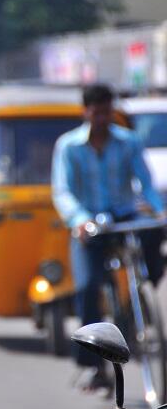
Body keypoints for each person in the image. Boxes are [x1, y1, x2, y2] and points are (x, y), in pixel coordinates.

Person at [51, 84, 167, 391]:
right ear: (86, 111)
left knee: (154, 237)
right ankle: (93, 365)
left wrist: (159, 210)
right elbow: (63, 192)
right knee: (88, 287)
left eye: (107, 111)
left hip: (123, 217)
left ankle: (141, 298)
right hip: (89, 225)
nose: (102, 117)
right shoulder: (69, 146)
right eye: (97, 111)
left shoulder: (128, 142)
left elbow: (146, 182)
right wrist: (79, 220)